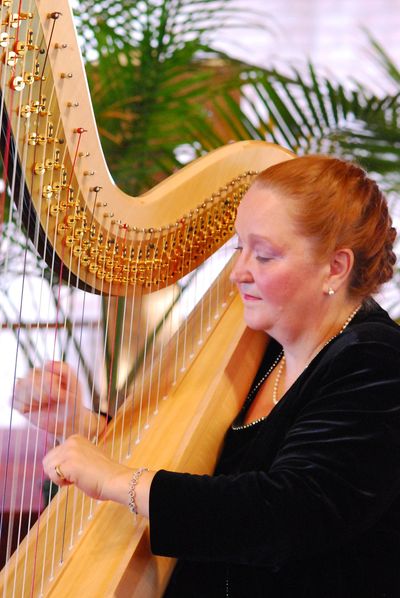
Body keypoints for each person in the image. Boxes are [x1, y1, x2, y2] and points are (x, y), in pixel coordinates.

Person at [15, 155, 400, 597]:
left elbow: (286, 513)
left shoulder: (376, 360)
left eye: (265, 254)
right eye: (239, 247)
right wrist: (79, 425)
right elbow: (210, 466)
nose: (238, 272)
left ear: (335, 267)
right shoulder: (265, 347)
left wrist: (116, 481)